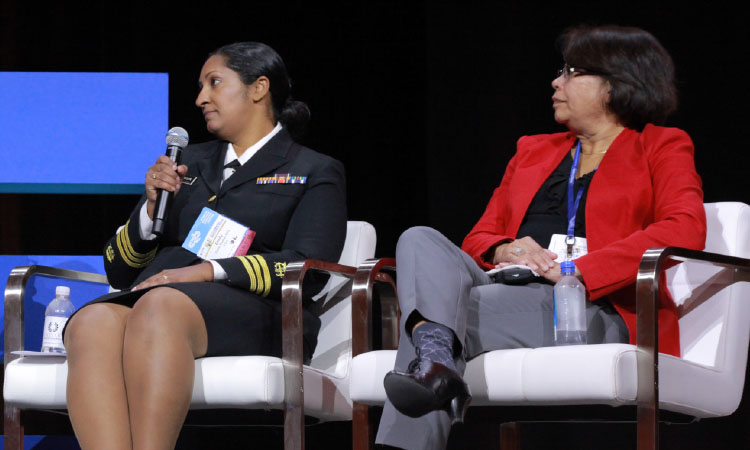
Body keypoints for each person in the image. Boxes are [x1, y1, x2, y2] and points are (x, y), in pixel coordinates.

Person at [375, 25, 706, 450]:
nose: (556, 82)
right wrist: (504, 247)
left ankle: (432, 359)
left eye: (571, 72)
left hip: (593, 306)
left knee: (427, 320)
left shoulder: (660, 146)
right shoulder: (534, 150)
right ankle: (438, 353)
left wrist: (577, 270)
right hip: (507, 285)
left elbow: (684, 228)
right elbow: (479, 236)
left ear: (615, 84)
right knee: (419, 237)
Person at [63, 42, 347, 450]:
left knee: (161, 305)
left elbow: (310, 270)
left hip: (262, 313)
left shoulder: (312, 170)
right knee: (91, 323)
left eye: (214, 83)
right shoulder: (187, 163)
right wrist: (148, 209)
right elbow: (119, 271)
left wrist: (205, 271)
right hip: (157, 295)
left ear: (258, 88)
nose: (200, 98)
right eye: (200, 86)